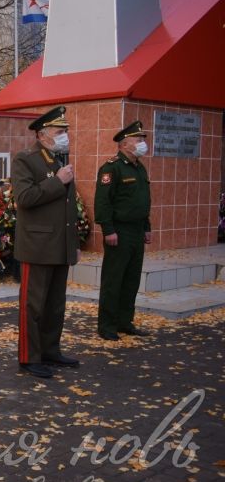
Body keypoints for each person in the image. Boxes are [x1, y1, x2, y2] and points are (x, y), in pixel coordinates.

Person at [10, 105, 80, 379]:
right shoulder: (26, 159)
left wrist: (73, 242)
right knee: (34, 305)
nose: (65, 135)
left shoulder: (60, 159)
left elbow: (68, 208)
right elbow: (24, 198)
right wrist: (58, 182)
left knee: (55, 305)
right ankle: (29, 357)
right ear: (42, 135)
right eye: (59, 131)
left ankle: (50, 350)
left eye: (65, 131)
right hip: (37, 246)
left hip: (59, 246)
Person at [94, 120, 152, 341]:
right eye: (139, 140)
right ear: (124, 144)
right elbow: (103, 202)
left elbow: (143, 201)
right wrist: (108, 230)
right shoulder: (111, 168)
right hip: (119, 231)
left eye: (142, 140)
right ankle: (106, 325)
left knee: (131, 279)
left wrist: (147, 227)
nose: (142, 144)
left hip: (137, 231)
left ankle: (124, 322)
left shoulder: (139, 167)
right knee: (114, 279)